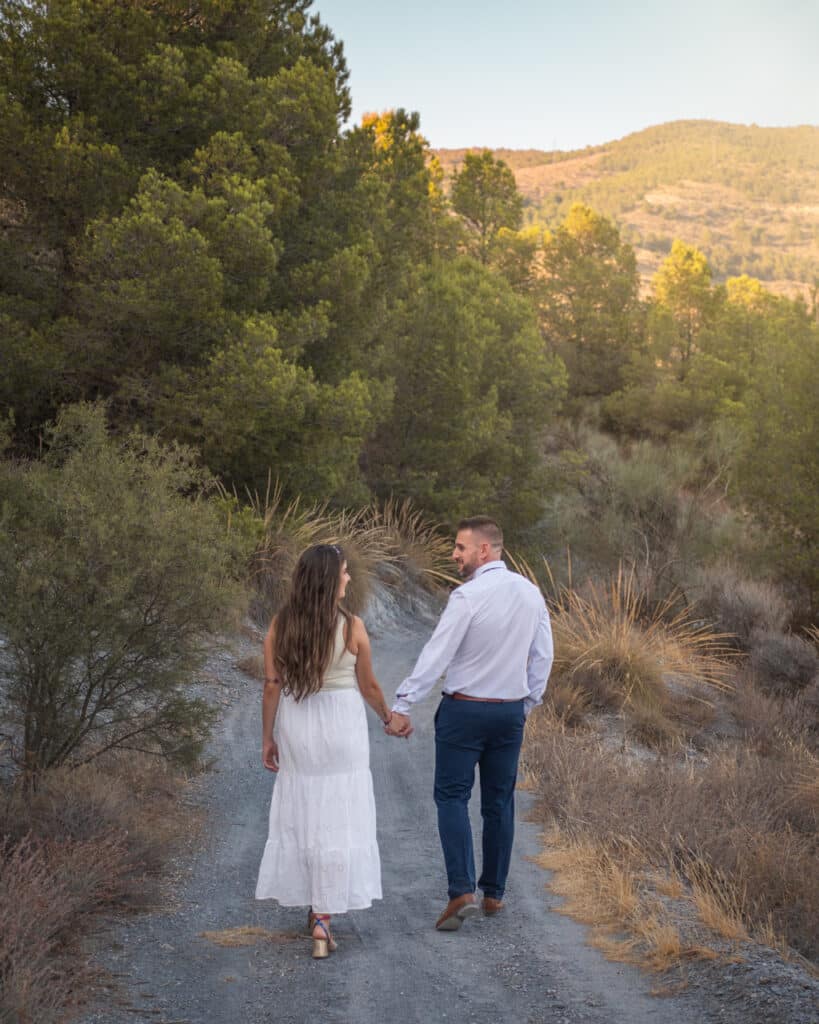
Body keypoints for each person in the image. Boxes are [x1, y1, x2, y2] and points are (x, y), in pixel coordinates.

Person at [386, 516, 553, 931]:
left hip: (464, 712)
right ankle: (494, 894)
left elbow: (436, 654)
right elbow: (543, 656)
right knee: (499, 802)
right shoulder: (531, 594)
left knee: (452, 798)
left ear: (484, 550)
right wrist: (526, 702)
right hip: (508, 713)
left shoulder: (467, 596)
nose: (454, 555)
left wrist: (404, 703)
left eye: (460, 547)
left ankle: (462, 890)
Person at [255, 544, 394, 958]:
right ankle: (323, 920)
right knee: (338, 816)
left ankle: (316, 910)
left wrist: (268, 737)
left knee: (307, 812)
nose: (349, 579)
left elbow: (271, 685)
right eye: (345, 573)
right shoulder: (352, 626)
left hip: (299, 724)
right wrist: (388, 718)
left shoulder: (281, 625)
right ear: (331, 581)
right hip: (342, 726)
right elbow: (368, 686)